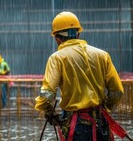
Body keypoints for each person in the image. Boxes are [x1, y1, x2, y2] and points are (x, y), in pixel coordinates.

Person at [35, 11, 125, 140]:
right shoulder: (102, 55)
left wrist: (48, 111)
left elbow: (47, 93)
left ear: (56, 37)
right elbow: (117, 91)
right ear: (78, 33)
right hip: (101, 123)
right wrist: (106, 108)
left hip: (75, 125)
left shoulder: (57, 58)